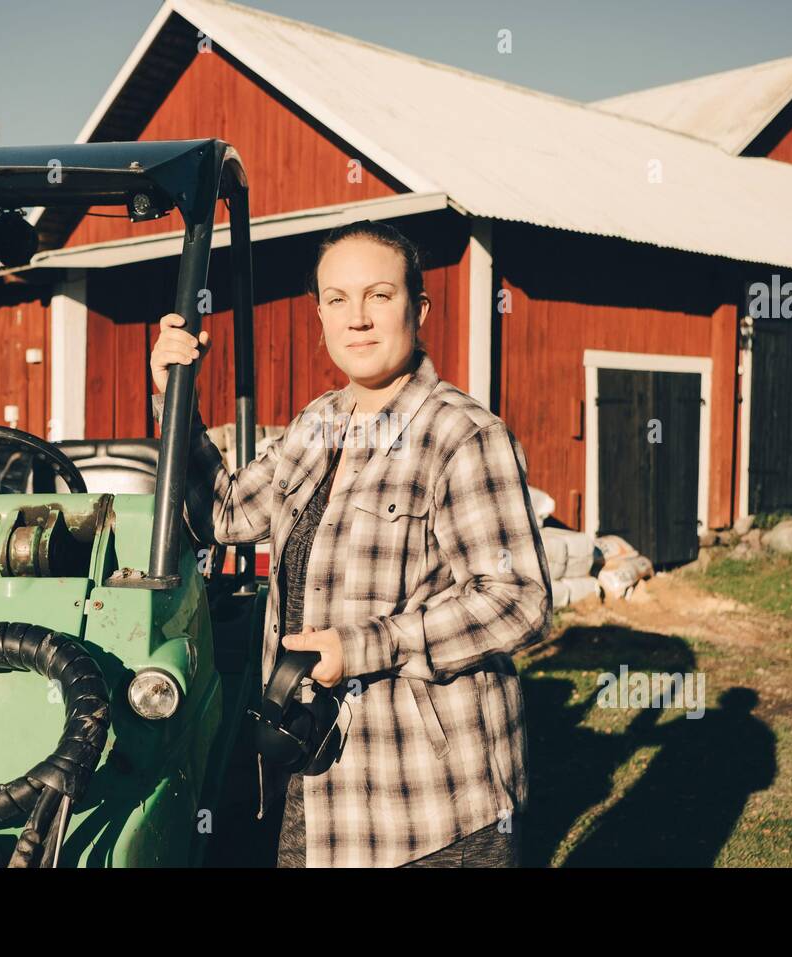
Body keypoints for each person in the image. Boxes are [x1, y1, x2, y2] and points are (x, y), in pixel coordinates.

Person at [149, 220, 552, 868]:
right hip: (316, 779)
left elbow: (519, 600)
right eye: (337, 299)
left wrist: (364, 646)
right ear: (320, 315)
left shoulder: (463, 435)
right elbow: (222, 514)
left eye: (379, 296)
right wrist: (175, 396)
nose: (356, 318)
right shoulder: (318, 424)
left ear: (418, 310)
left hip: (424, 800)